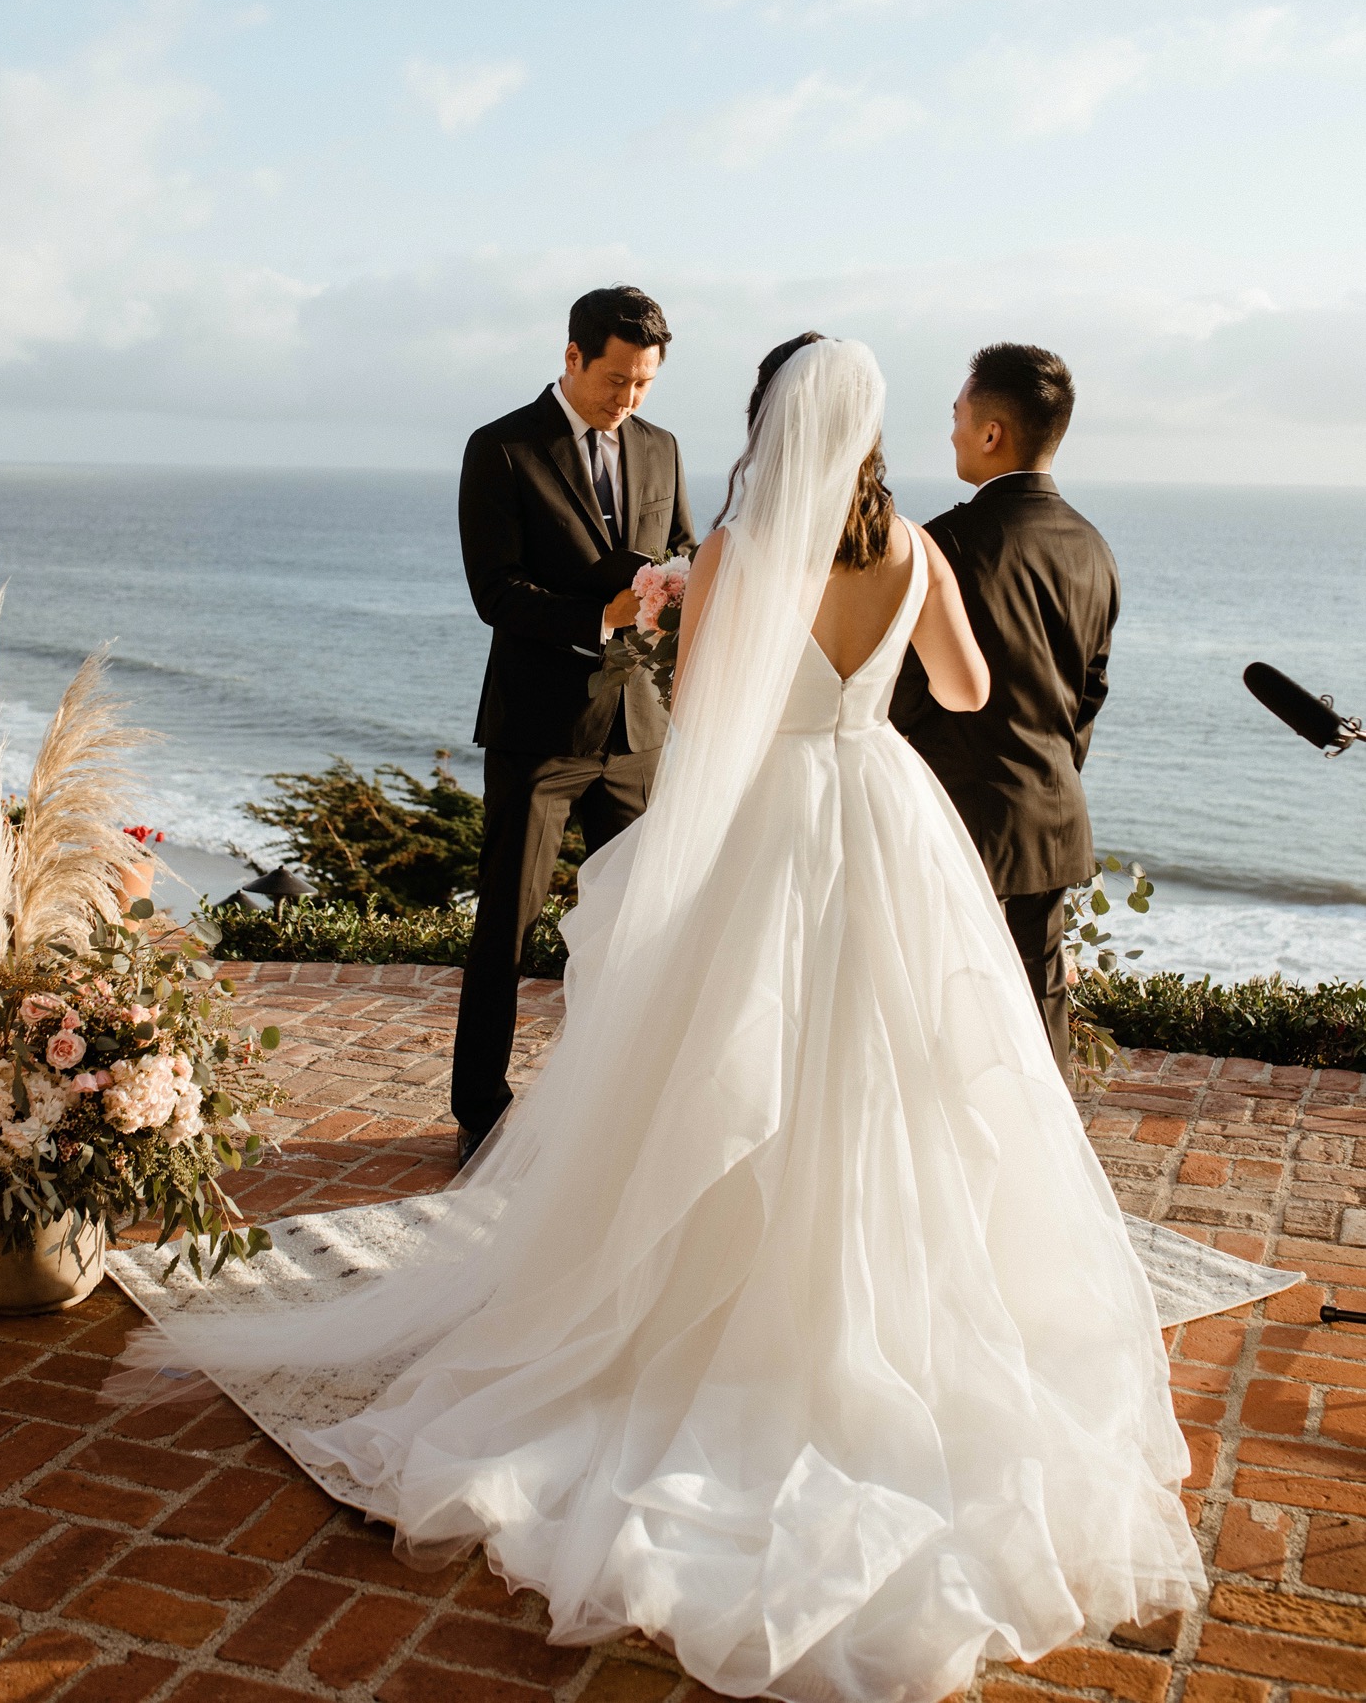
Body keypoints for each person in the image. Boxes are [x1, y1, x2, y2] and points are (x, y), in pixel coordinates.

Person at [139, 335, 1201, 1703]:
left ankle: (714, 1303)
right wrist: (865, 700)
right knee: (896, 1075)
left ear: (776, 426)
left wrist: (704, 642)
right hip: (885, 821)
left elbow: (701, 725)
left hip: (775, 828)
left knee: (729, 1066)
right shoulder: (923, 559)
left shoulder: (746, 561)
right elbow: (970, 693)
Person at [452, 285, 695, 1164]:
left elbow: (684, 559)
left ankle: (614, 1108)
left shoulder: (662, 449)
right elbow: (497, 594)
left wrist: (670, 605)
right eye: (616, 380)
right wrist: (603, 615)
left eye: (643, 384)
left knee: (638, 926)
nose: (627, 400)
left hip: (639, 732)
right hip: (539, 732)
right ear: (571, 356)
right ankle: (480, 1110)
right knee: (506, 929)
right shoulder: (501, 449)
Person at [890, 344, 1119, 1077]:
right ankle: (1048, 1181)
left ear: (993, 433)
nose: (953, 430)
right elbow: (1087, 696)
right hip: (1049, 814)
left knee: (943, 1015)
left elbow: (901, 695)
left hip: (959, 818)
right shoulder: (1093, 547)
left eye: (959, 415)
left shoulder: (945, 544)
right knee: (1037, 1007)